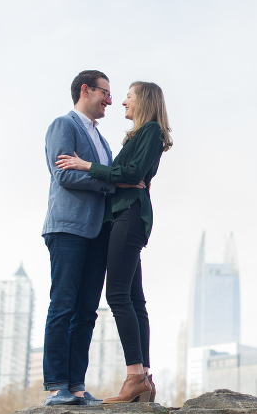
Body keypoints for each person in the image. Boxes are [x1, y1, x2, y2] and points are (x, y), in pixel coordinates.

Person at [56, 81, 173, 404]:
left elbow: (133, 171)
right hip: (124, 213)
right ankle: (144, 377)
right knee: (134, 299)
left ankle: (134, 375)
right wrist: (120, 175)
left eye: (129, 97)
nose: (122, 102)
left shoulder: (150, 130)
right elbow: (125, 173)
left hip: (129, 214)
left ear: (145, 100)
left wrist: (86, 165)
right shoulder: (140, 135)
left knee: (118, 294)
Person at [41, 70, 144, 406]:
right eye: (106, 93)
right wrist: (110, 183)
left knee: (87, 311)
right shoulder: (63, 125)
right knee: (63, 305)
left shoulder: (102, 141)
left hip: (98, 233)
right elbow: (64, 173)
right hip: (68, 229)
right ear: (85, 90)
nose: (110, 101)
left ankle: (77, 386)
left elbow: (105, 173)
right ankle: (58, 385)